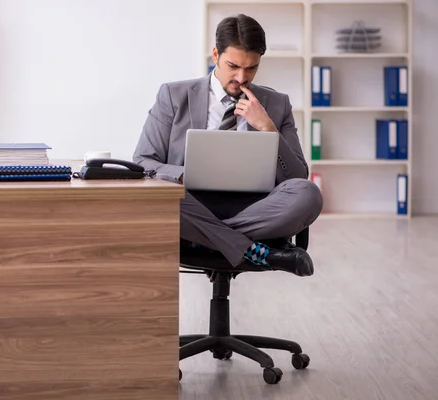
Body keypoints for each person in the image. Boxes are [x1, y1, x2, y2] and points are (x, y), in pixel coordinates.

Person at [132, 14, 323, 276]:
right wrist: (184, 174)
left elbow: (297, 176)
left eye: (251, 68)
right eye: (233, 65)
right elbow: (143, 161)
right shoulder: (174, 95)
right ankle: (252, 250)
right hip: (190, 202)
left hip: (254, 208)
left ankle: (205, 240)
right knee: (156, 198)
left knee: (308, 193)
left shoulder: (277, 104)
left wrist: (267, 129)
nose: (241, 77)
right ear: (215, 55)